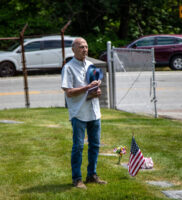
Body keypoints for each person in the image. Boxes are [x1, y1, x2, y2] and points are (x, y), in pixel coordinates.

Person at [61, 38, 107, 189]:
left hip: (94, 112)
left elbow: (93, 89)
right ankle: (77, 179)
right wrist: (87, 88)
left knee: (95, 145)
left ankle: (92, 175)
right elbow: (68, 92)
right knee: (78, 146)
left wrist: (96, 91)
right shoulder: (68, 68)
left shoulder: (91, 65)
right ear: (73, 49)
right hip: (79, 113)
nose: (85, 49)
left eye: (86, 47)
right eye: (81, 47)